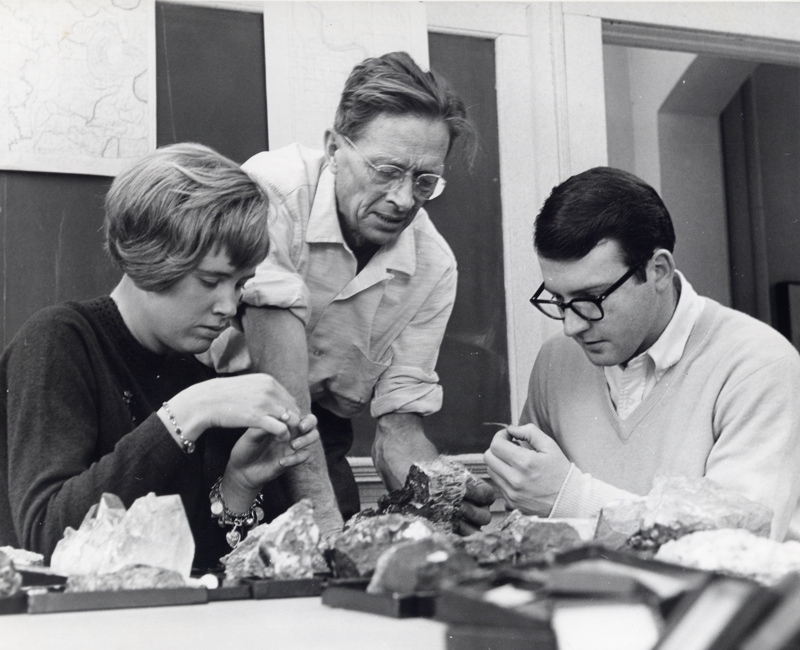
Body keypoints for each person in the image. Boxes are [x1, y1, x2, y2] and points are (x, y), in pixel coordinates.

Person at [203, 51, 495, 534]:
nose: (404, 199)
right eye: (385, 170)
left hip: (322, 429)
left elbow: (399, 431)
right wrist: (327, 527)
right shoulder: (272, 192)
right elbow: (283, 399)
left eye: (425, 181)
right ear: (335, 148)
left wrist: (439, 494)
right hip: (214, 412)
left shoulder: (436, 266)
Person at [0, 143, 321, 567]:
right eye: (211, 280)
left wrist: (237, 487)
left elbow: (196, 569)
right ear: (151, 258)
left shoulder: (197, 372)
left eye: (241, 283)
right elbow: (45, 538)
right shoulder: (59, 341)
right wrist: (186, 413)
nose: (230, 306)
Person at [484, 166, 800, 541]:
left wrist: (570, 497)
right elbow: (533, 521)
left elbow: (736, 543)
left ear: (659, 270)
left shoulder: (760, 364)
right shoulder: (556, 359)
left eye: (590, 299)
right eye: (558, 300)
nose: (571, 326)